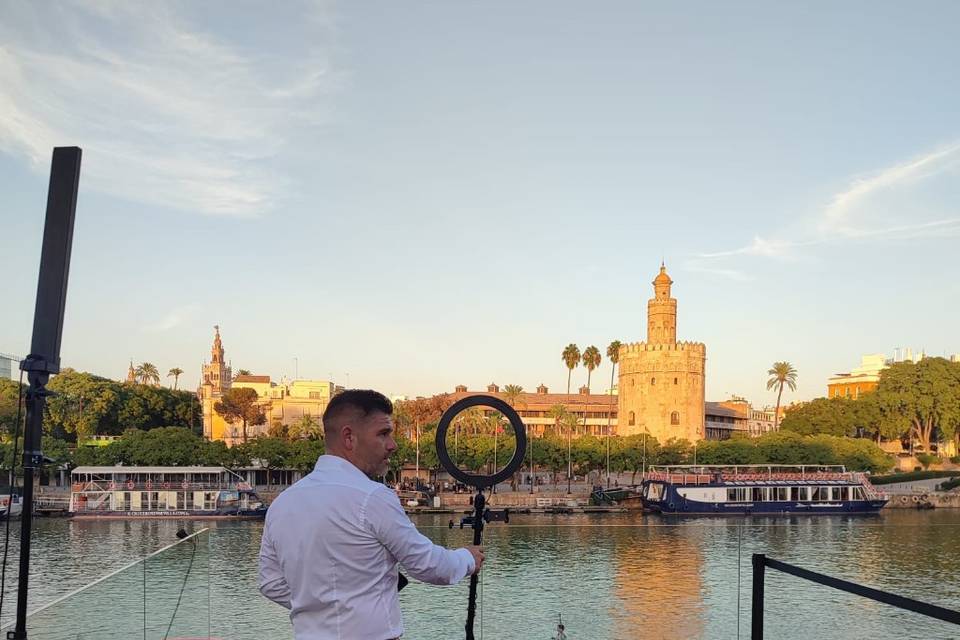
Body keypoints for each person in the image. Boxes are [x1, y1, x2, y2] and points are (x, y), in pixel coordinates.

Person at [258, 389, 484, 639]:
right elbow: (430, 566)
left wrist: (324, 606)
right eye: (383, 433)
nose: (392, 445)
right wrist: (467, 558)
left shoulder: (282, 504)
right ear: (349, 437)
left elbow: (270, 583)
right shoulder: (372, 497)